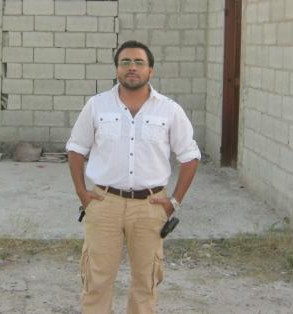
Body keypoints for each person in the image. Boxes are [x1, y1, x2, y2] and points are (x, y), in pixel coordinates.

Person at [66, 40, 201, 314]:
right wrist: (82, 193)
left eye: (139, 62)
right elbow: (76, 149)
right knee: (96, 280)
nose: (132, 67)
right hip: (104, 204)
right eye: (125, 62)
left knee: (145, 282)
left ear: (151, 70)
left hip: (150, 207)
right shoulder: (97, 105)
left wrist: (174, 201)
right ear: (117, 69)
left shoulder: (169, 110)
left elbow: (190, 156)